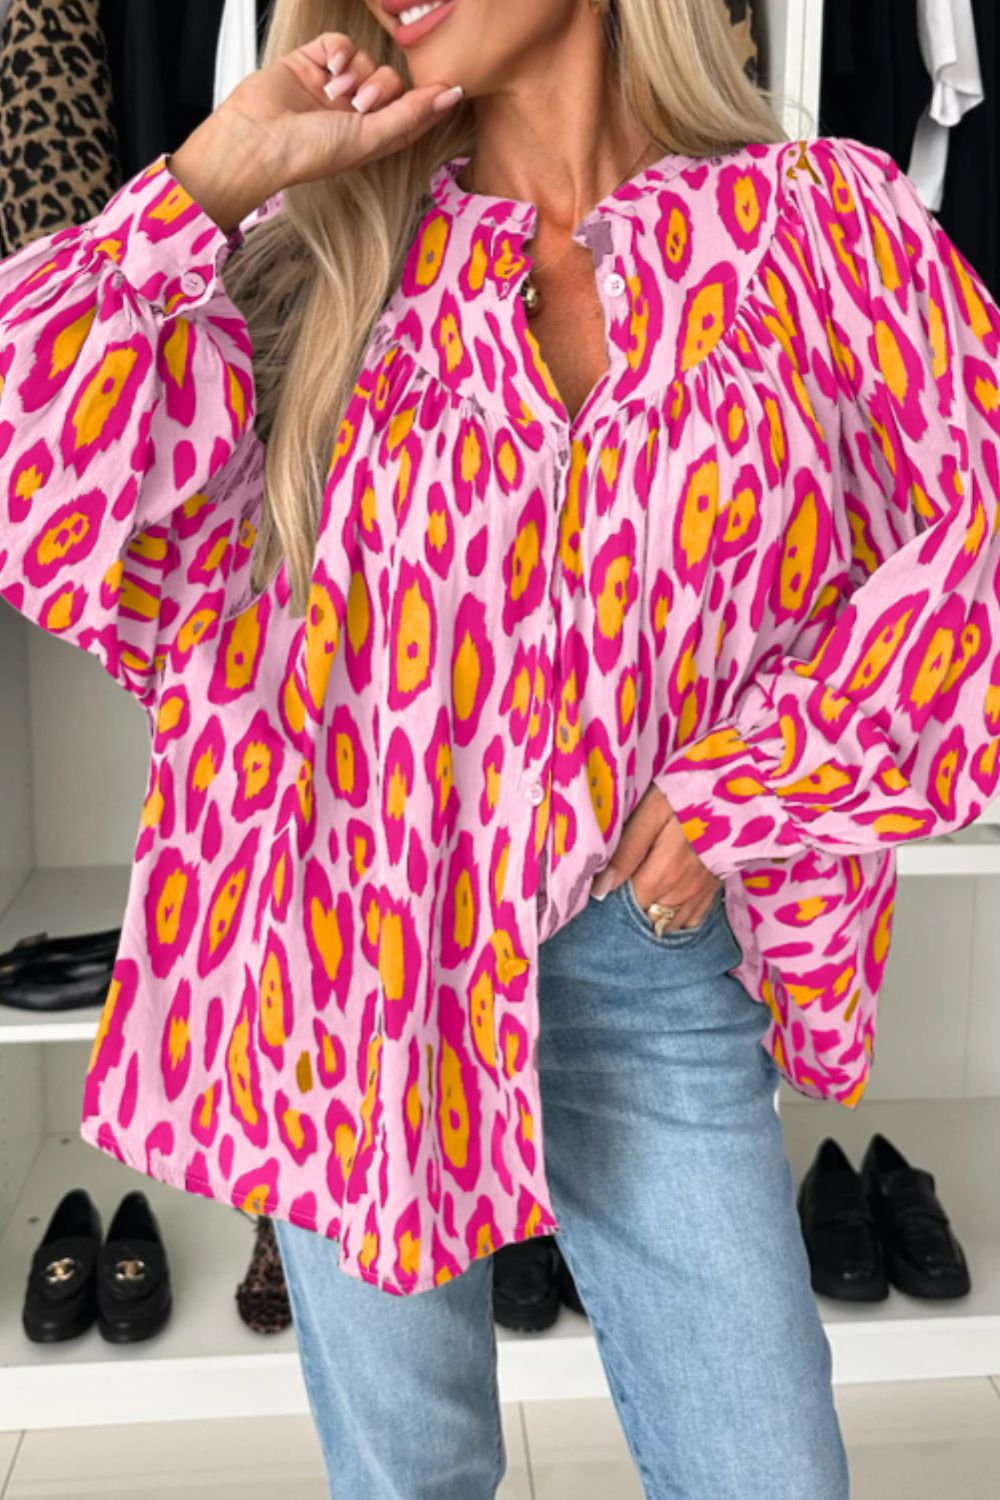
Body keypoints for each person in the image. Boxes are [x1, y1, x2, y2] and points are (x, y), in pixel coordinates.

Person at [3, 0, 1000, 1495]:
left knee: (770, 1471)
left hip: (647, 967)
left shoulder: (816, 229)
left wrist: (751, 787)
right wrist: (209, 175)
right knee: (413, 1476)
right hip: (352, 962)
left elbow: (979, 538)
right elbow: (32, 463)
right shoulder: (321, 253)